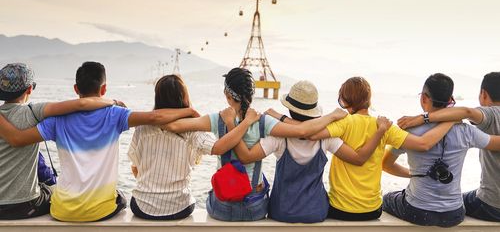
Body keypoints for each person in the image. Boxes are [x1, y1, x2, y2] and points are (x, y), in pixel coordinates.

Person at [0, 61, 199, 222]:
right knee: (120, 196)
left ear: (76, 88)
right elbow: (155, 117)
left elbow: (19, 138)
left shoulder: (55, 121)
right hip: (101, 211)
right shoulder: (116, 115)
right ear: (103, 89)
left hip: (62, 211)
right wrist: (189, 111)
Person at [161, 68, 348, 221]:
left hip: (223, 208)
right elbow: (302, 131)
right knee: (262, 184)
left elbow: (172, 126)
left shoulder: (216, 119)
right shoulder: (264, 122)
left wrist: (190, 111)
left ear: (227, 95)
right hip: (254, 208)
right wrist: (332, 116)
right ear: (252, 94)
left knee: (212, 193)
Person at [221, 80, 392, 223]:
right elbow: (358, 158)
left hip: (282, 212)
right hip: (316, 212)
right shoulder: (326, 137)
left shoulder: (279, 137)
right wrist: (379, 131)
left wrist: (232, 125)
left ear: (289, 109)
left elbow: (245, 157)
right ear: (313, 111)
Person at [309, 76, 457, 221]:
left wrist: (331, 116)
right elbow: (422, 144)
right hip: (372, 211)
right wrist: (450, 120)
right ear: (368, 100)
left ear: (345, 101)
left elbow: (312, 133)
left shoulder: (343, 123)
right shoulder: (385, 126)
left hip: (340, 210)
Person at [127, 74, 260, 220]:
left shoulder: (142, 128)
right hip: (179, 207)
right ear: (184, 97)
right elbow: (218, 147)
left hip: (142, 207)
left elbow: (135, 168)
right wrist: (245, 122)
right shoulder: (192, 130)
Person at [0, 63, 118, 220]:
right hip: (22, 206)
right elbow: (81, 104)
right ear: (30, 89)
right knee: (56, 191)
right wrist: (113, 102)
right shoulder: (33, 112)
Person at [397, 72, 500, 222]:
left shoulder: (490, 114)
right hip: (468, 209)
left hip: (492, 206)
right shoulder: (467, 132)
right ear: (450, 100)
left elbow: (466, 112)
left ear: (483, 94)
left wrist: (423, 118)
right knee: (456, 204)